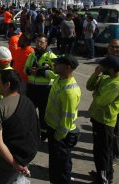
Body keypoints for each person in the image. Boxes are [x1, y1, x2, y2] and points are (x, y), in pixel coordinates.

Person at [0, 70, 39, 184]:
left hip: (5, 162)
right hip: (24, 156)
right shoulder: (27, 101)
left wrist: (15, 164)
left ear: (7, 85)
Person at [45, 55, 81, 184]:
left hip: (62, 135)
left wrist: (58, 137)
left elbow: (67, 119)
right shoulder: (59, 79)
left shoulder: (69, 91)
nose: (54, 66)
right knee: (56, 165)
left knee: (62, 168)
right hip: (54, 129)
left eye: (57, 64)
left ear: (68, 67)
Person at [86, 55, 119, 184]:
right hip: (97, 118)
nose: (101, 67)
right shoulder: (106, 77)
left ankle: (103, 179)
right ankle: (104, 173)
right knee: (100, 150)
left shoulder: (116, 84)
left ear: (111, 69)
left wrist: (96, 93)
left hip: (105, 121)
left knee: (103, 152)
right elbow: (89, 86)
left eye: (103, 66)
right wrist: (95, 74)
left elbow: (100, 101)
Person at [24, 34, 57, 141]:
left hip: (45, 89)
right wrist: (30, 71)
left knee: (43, 113)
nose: (38, 44)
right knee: (29, 111)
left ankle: (44, 134)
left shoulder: (51, 56)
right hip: (32, 88)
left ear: (46, 43)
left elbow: (56, 74)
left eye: (41, 42)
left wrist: (42, 72)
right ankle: (31, 131)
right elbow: (25, 69)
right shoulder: (32, 55)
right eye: (37, 41)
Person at [108, 39, 119, 164]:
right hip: (109, 101)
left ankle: (115, 154)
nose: (115, 49)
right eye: (112, 47)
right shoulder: (109, 60)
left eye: (117, 47)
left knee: (116, 131)